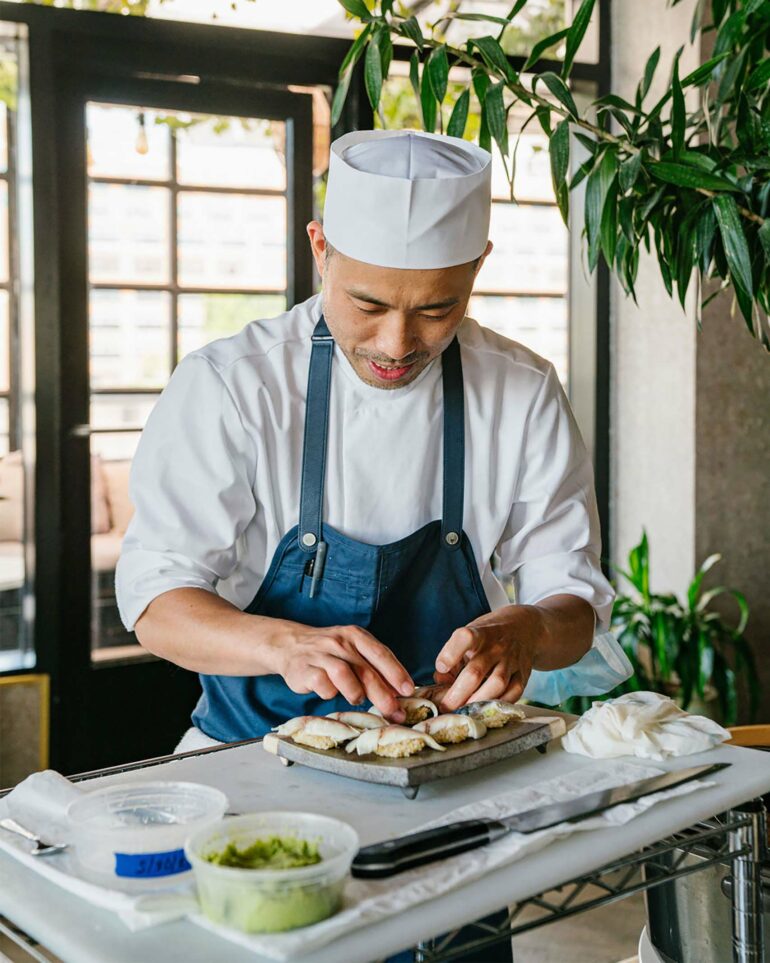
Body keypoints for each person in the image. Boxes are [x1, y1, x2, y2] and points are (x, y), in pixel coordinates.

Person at [116, 128, 631, 962]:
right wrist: (286, 643)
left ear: (478, 267)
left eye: (436, 308)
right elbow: (155, 603)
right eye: (367, 304)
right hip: (254, 779)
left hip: (447, 796)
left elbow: (574, 603)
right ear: (319, 248)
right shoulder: (231, 385)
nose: (398, 344)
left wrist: (530, 629)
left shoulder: (523, 392)